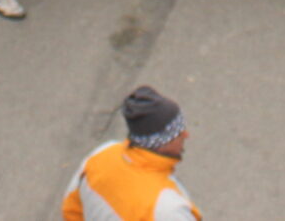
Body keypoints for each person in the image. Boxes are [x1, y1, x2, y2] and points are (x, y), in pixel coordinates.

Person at [62, 86, 201, 221]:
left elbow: (72, 211)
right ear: (160, 143)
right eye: (178, 133)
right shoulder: (167, 208)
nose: (186, 135)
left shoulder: (101, 155)